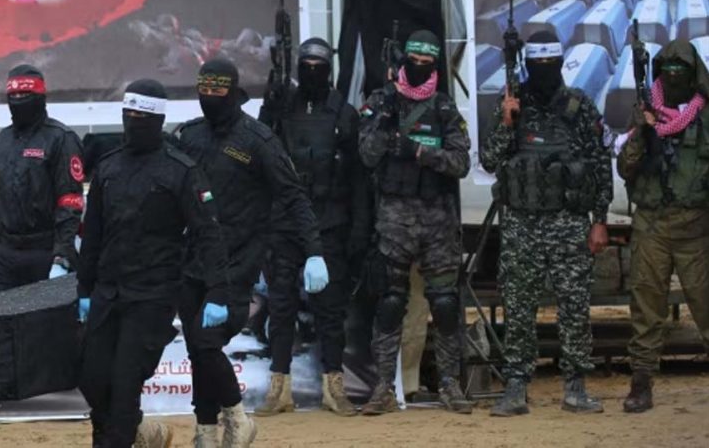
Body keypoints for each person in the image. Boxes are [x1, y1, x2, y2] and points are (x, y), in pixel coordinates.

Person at [176, 56, 328, 447]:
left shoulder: (257, 140)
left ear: (233, 91)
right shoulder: (189, 136)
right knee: (197, 349)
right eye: (203, 88)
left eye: (218, 89)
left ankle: (237, 418)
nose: (210, 96)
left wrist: (314, 251)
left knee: (207, 342)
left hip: (237, 261)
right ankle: (206, 431)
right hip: (191, 260)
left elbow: (293, 197)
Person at [78, 79, 230, 448]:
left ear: (158, 120)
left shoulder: (181, 171)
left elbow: (208, 234)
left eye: (142, 117)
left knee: (125, 383)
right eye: (128, 114)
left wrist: (218, 291)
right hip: (108, 293)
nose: (134, 122)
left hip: (152, 296)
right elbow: (93, 233)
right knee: (93, 379)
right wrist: (84, 288)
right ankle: (142, 433)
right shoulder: (108, 167)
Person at [481, 30, 611, 416]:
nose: (543, 70)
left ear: (560, 62)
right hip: (521, 223)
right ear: (527, 64)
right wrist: (507, 122)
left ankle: (576, 386)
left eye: (549, 64)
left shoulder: (579, 106)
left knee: (574, 305)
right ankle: (516, 387)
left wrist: (600, 221)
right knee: (518, 307)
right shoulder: (512, 104)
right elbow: (489, 160)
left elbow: (599, 165)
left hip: (568, 221)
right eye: (536, 64)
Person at [0, 64, 85, 448]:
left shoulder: (61, 139)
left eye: (25, 96)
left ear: (40, 97)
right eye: (12, 96)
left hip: (46, 252)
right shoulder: (1, 141)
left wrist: (62, 257)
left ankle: (117, 421)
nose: (18, 101)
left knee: (67, 343)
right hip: (8, 254)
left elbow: (70, 202)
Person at [356, 29, 472, 416]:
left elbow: (460, 162)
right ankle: (384, 388)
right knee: (390, 302)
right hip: (395, 217)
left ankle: (450, 384)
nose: (420, 67)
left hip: (438, 218)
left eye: (427, 63)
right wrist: (387, 116)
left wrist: (421, 152)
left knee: (445, 304)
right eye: (414, 61)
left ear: (435, 65)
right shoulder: (381, 101)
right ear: (404, 60)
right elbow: (367, 155)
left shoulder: (444, 107)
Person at [255, 37, 370, 417]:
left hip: (329, 223)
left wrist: (359, 228)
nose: (312, 72)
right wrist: (269, 107)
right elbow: (259, 154)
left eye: (319, 67)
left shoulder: (343, 114)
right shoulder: (282, 107)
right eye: (306, 66)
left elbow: (358, 178)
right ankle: (280, 388)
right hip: (285, 222)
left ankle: (334, 387)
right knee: (281, 307)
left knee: (330, 310)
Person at [616, 38, 709, 413]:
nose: (673, 77)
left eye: (680, 71)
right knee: (646, 309)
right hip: (652, 224)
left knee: (707, 306)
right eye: (666, 70)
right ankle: (641, 384)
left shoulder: (707, 116)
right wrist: (643, 131)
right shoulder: (644, 112)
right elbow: (625, 167)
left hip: (697, 226)